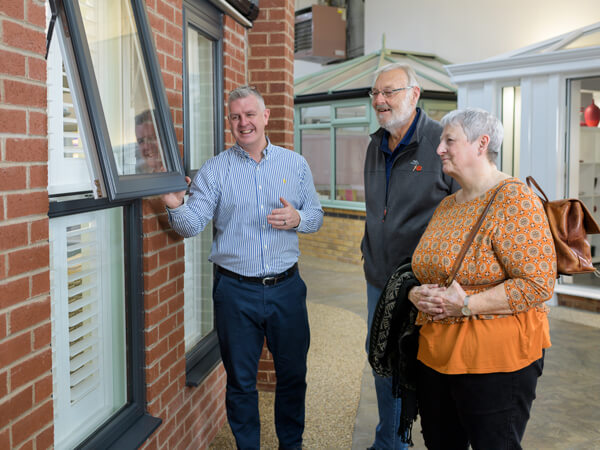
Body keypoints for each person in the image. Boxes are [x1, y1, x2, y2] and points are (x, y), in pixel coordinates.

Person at [161, 86, 323, 450]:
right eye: (235, 117)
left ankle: (291, 445)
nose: (243, 123)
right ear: (229, 122)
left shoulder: (294, 164)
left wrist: (298, 217)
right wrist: (174, 205)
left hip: (287, 288)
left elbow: (316, 216)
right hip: (235, 293)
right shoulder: (215, 170)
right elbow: (191, 225)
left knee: (294, 376)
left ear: (265, 117)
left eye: (249, 114)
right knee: (241, 382)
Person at [409, 108, 557, 449]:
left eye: (449, 140)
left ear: (481, 144)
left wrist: (467, 305)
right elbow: (423, 267)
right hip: (436, 356)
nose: (439, 149)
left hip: (495, 361)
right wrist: (415, 293)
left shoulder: (515, 200)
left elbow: (537, 284)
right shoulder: (447, 206)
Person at [362, 62, 458, 449]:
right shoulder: (375, 143)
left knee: (423, 369)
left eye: (390, 92)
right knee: (383, 361)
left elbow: (465, 210)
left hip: (425, 286)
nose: (380, 100)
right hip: (378, 279)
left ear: (415, 94)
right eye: (375, 93)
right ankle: (390, 441)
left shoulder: (442, 142)